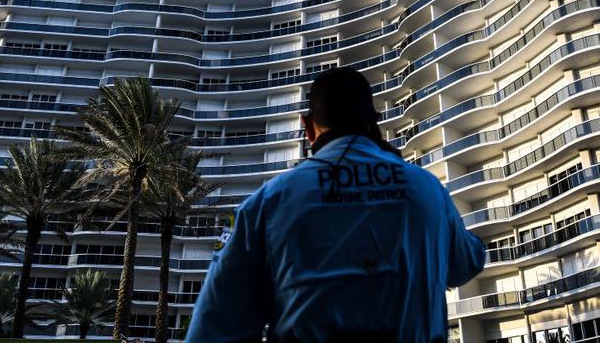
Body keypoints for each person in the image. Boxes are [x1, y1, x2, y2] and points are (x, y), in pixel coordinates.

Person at [186, 67, 486, 342]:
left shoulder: (268, 201)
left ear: (308, 127)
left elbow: (214, 327)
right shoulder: (428, 189)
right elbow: (466, 263)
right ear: (372, 120)